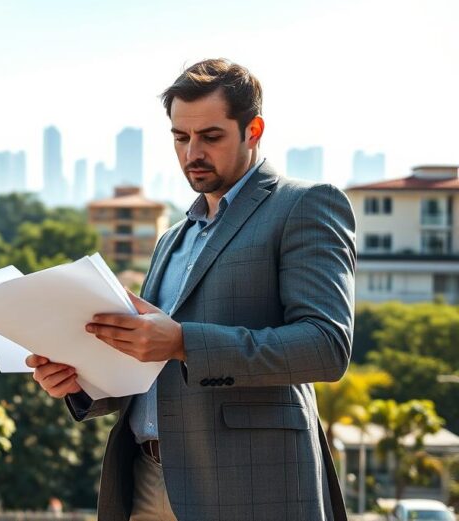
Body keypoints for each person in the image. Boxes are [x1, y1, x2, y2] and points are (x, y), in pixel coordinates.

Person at [28, 59, 355, 521]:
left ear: (253, 130)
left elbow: (326, 346)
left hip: (248, 486)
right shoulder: (172, 237)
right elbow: (150, 364)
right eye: (181, 138)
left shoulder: (304, 205)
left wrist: (184, 342)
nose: (191, 153)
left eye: (210, 137)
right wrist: (80, 383)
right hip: (143, 482)